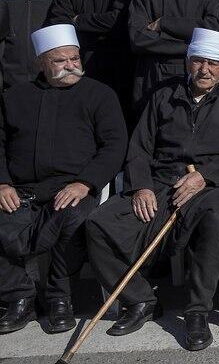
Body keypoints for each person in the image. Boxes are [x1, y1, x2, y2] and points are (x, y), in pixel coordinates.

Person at [86, 28, 219, 350]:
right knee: (99, 222)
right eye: (197, 61)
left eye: (213, 64)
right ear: (187, 62)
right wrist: (141, 188)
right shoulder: (163, 95)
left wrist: (204, 176)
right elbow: (139, 148)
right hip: (159, 181)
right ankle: (139, 299)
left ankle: (197, 312)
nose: (204, 70)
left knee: (211, 219)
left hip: (207, 185)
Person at [0, 24, 126, 335]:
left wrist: (85, 183)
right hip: (20, 189)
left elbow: (114, 145)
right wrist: (2, 183)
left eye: (74, 58)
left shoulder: (99, 94)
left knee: (75, 219)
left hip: (73, 188)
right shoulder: (15, 96)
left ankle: (59, 299)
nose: (70, 66)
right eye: (59, 60)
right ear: (40, 62)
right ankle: (19, 298)